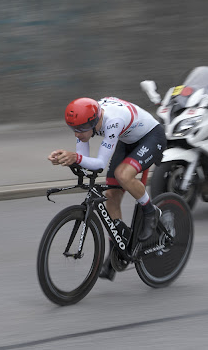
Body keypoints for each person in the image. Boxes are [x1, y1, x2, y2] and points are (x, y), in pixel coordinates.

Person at [48, 96, 166, 281]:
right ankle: (116, 254)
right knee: (111, 194)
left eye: (80, 130)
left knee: (123, 175)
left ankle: (150, 211)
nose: (77, 135)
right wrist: (66, 159)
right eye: (73, 130)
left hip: (151, 136)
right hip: (128, 140)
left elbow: (99, 163)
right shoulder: (87, 120)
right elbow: (84, 160)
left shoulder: (113, 121)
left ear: (94, 122)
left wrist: (75, 158)